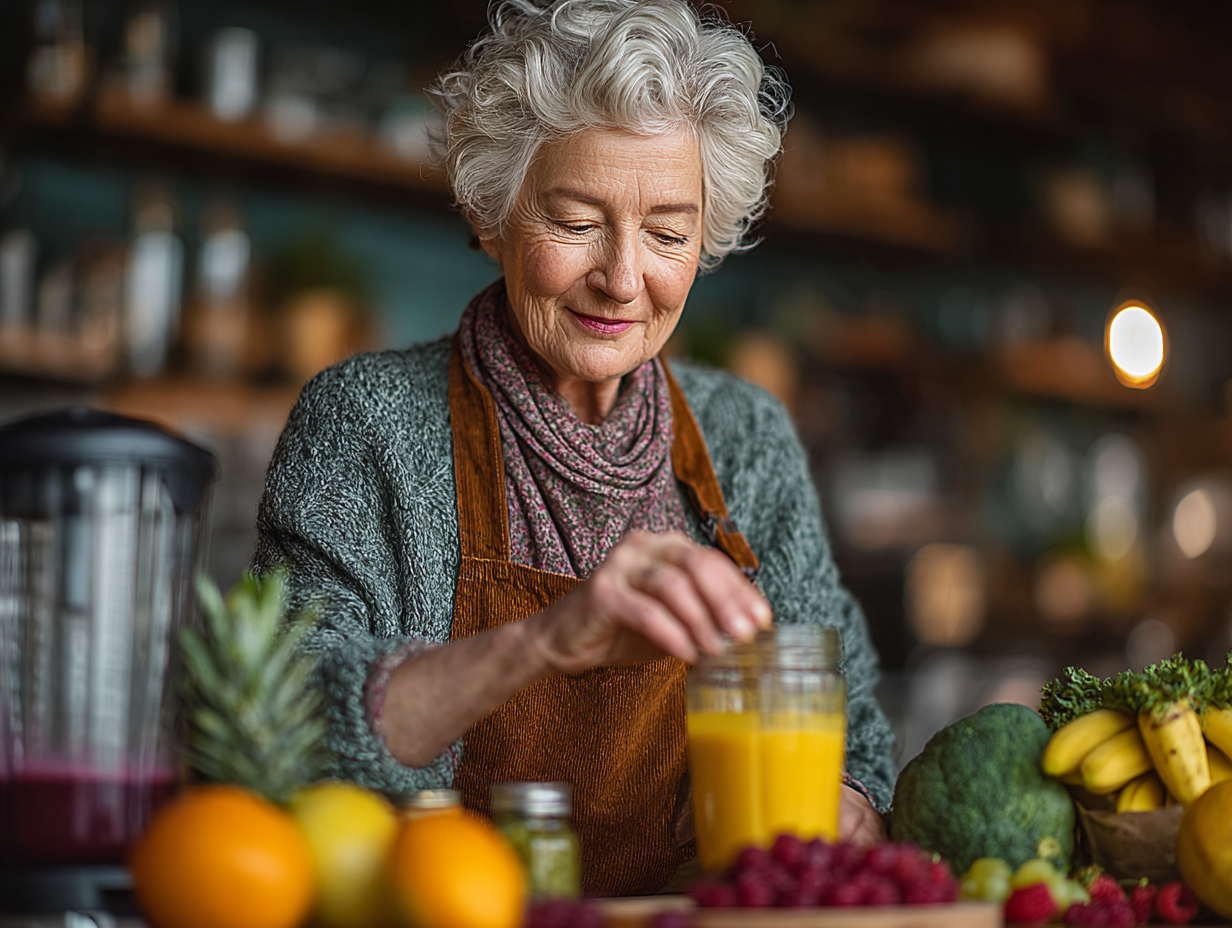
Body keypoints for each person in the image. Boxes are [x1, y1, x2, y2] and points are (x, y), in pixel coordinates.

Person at [254, 0, 895, 896]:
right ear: (493, 212)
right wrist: (545, 642)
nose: (623, 278)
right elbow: (288, 730)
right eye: (576, 221)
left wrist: (843, 797)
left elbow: (850, 713)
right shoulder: (366, 425)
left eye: (668, 233)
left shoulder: (745, 437)